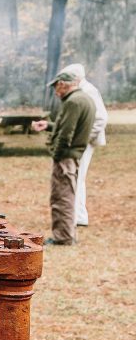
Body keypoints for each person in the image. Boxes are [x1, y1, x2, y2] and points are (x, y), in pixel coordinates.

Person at [31, 67, 96, 245]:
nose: (55, 92)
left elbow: (66, 134)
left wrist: (56, 154)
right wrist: (48, 125)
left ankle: (63, 237)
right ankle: (67, 235)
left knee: (62, 197)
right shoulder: (84, 99)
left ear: (62, 84)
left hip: (66, 157)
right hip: (74, 154)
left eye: (55, 87)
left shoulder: (72, 102)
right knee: (67, 195)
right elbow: (67, 126)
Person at [65, 63, 107, 228]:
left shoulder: (89, 91)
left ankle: (75, 216)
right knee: (77, 177)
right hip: (81, 140)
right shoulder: (80, 90)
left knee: (76, 177)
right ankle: (79, 216)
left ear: (76, 78)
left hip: (84, 142)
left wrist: (84, 138)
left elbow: (101, 118)